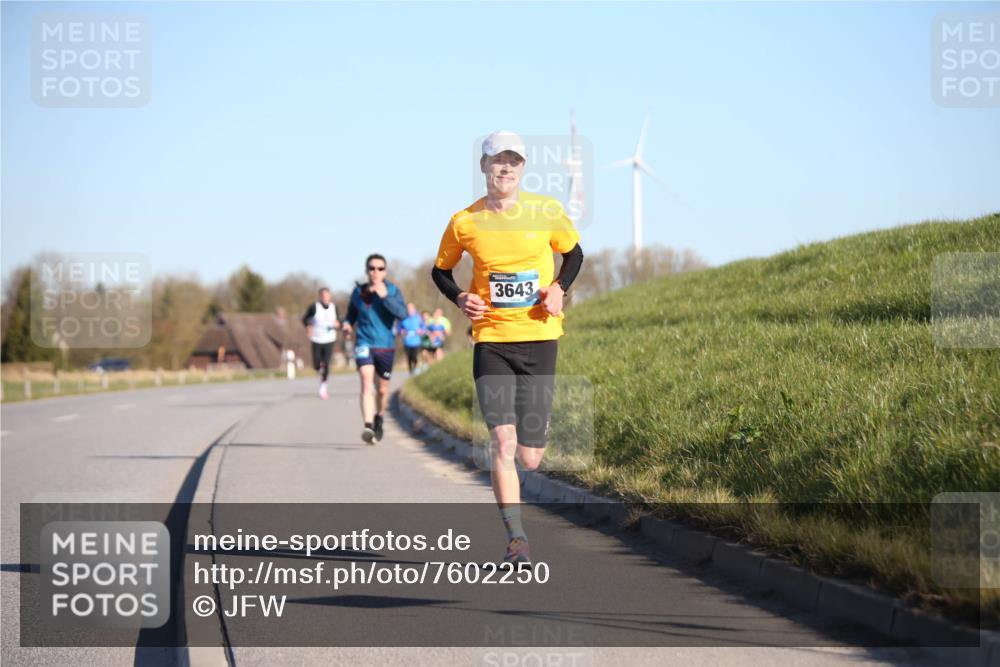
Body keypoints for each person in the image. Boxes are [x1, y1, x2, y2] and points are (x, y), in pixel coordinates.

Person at [431, 130, 584, 565]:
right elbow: (440, 271)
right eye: (498, 160)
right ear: (483, 166)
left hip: (539, 338)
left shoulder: (545, 211)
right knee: (501, 442)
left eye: (514, 161)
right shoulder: (465, 221)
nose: (506, 167)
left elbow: (574, 256)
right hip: (492, 342)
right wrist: (460, 297)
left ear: (523, 168)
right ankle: (517, 539)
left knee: (530, 459)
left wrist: (559, 288)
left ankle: (539, 434)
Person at [342, 254, 407, 444]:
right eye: (371, 268)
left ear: (385, 271)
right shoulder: (358, 292)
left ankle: (379, 415)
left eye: (379, 268)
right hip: (364, 343)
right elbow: (351, 315)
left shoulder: (393, 291)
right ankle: (368, 426)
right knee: (365, 381)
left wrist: (384, 295)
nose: (375, 272)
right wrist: (347, 325)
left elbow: (402, 314)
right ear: (366, 271)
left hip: (385, 346)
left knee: (382, 389)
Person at [301, 287, 339, 400]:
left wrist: (339, 324)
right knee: (317, 364)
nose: (325, 297)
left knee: (326, 362)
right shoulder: (314, 307)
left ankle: (323, 387)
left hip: (329, 338)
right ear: (320, 296)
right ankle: (319, 369)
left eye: (327, 295)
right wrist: (308, 326)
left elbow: (339, 320)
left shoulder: (334, 307)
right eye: (323, 295)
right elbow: (305, 319)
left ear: (330, 296)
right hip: (316, 338)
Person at [398, 303, 426, 375]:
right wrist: (401, 331)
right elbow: (399, 328)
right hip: (406, 341)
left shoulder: (418, 318)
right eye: (408, 309)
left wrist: (421, 331)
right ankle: (411, 371)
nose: (409, 310)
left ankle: (415, 368)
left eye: (411, 308)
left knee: (414, 356)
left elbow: (424, 327)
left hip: (416, 342)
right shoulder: (403, 318)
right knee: (409, 357)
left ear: (414, 309)